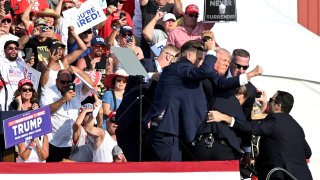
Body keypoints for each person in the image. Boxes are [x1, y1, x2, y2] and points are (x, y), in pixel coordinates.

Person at [143, 39, 263, 161]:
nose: (202, 62)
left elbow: (221, 83)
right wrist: (149, 75)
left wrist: (250, 75)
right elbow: (133, 73)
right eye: (200, 59)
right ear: (189, 56)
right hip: (156, 129)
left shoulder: (187, 72)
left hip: (174, 133)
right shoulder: (181, 68)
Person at [208, 90, 313, 180]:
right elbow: (307, 152)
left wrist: (226, 118)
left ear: (278, 106)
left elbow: (253, 128)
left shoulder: (276, 120)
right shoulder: (296, 126)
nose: (268, 102)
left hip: (281, 176)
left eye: (271, 100)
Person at [40, 68, 93, 162]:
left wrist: (78, 71)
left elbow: (90, 85)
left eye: (68, 82)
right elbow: (45, 112)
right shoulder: (48, 91)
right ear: (57, 81)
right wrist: (63, 99)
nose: (65, 85)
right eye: (62, 82)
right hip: (55, 142)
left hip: (73, 143)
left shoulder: (75, 89)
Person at [0, 40, 25, 110]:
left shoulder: (21, 63)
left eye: (16, 48)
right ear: (4, 50)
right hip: (5, 100)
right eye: (10, 48)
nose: (13, 50)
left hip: (20, 99)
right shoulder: (1, 61)